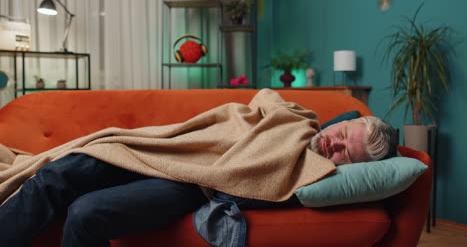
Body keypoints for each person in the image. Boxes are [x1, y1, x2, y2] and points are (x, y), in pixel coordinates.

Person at [0, 105, 397, 247]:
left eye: (346, 154)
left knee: (87, 212)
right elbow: (253, 107)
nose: (334, 146)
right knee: (58, 173)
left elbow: (259, 177)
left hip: (191, 182)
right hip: (166, 152)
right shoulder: (298, 118)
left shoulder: (314, 174)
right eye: (341, 135)